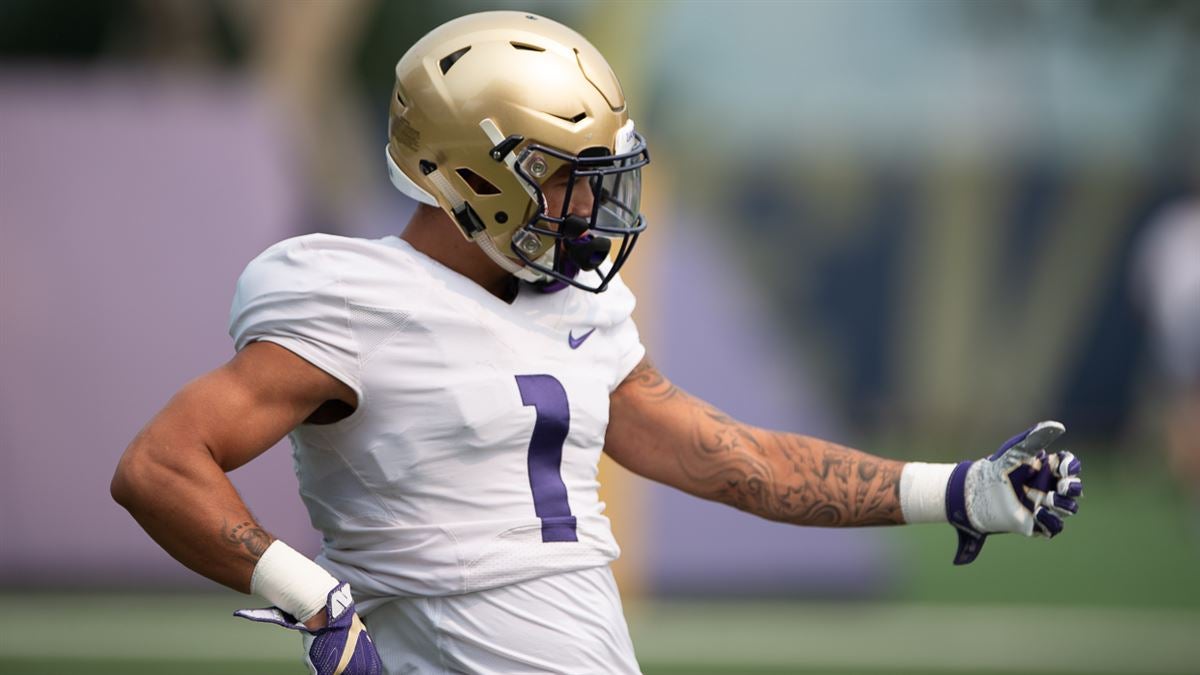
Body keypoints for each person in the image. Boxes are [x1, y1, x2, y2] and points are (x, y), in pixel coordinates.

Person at [111, 11, 1085, 675]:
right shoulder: (354, 297)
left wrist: (954, 491)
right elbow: (161, 464)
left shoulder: (573, 308)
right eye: (568, 175)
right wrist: (316, 600)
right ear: (468, 174)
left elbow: (733, 462)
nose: (594, 203)